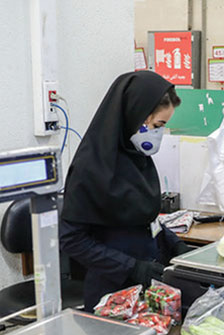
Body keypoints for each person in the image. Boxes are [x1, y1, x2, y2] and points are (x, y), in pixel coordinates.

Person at [60, 71, 190, 312]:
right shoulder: (91, 167)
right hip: (111, 292)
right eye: (157, 125)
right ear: (135, 115)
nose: (158, 134)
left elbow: (144, 220)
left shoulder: (138, 157)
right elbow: (72, 240)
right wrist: (131, 267)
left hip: (148, 285)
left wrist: (174, 244)